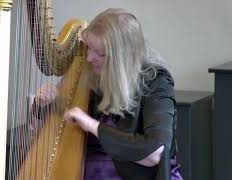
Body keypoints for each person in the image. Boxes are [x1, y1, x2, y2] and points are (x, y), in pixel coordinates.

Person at [34, 8, 183, 180]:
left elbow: (154, 152)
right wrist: (44, 104)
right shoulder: (89, 74)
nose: (89, 58)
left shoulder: (157, 82)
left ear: (123, 59)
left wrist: (91, 125)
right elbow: (46, 139)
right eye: (89, 48)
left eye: (100, 53)